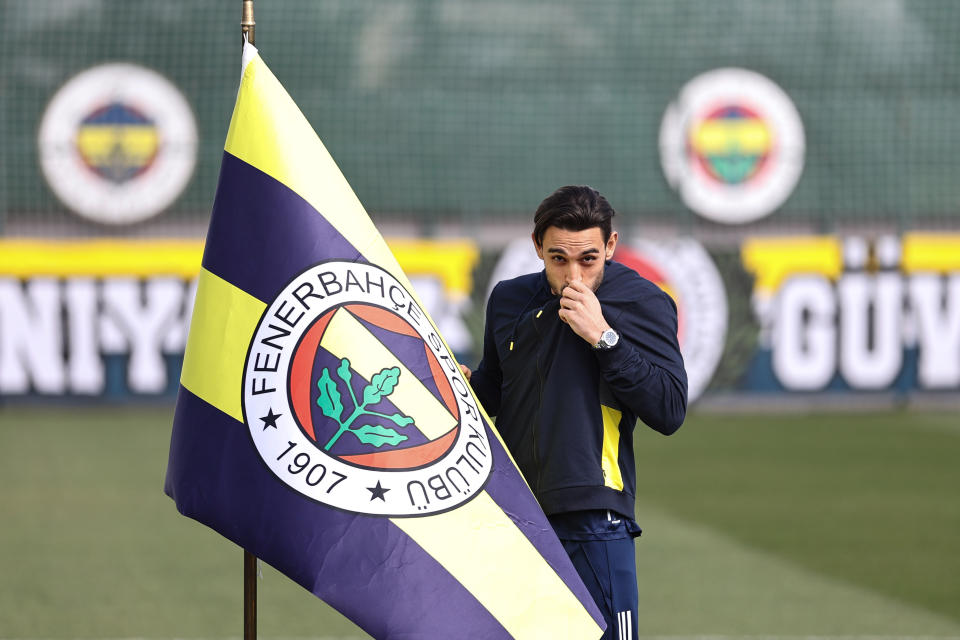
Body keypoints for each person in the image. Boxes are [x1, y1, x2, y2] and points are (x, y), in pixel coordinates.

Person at [461, 185, 687, 640]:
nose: (573, 276)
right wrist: (459, 389)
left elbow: (669, 407)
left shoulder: (643, 302)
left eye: (588, 259)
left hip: (596, 514)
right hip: (516, 515)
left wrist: (604, 337)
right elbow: (492, 393)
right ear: (537, 248)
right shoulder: (508, 299)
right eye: (558, 258)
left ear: (611, 246)